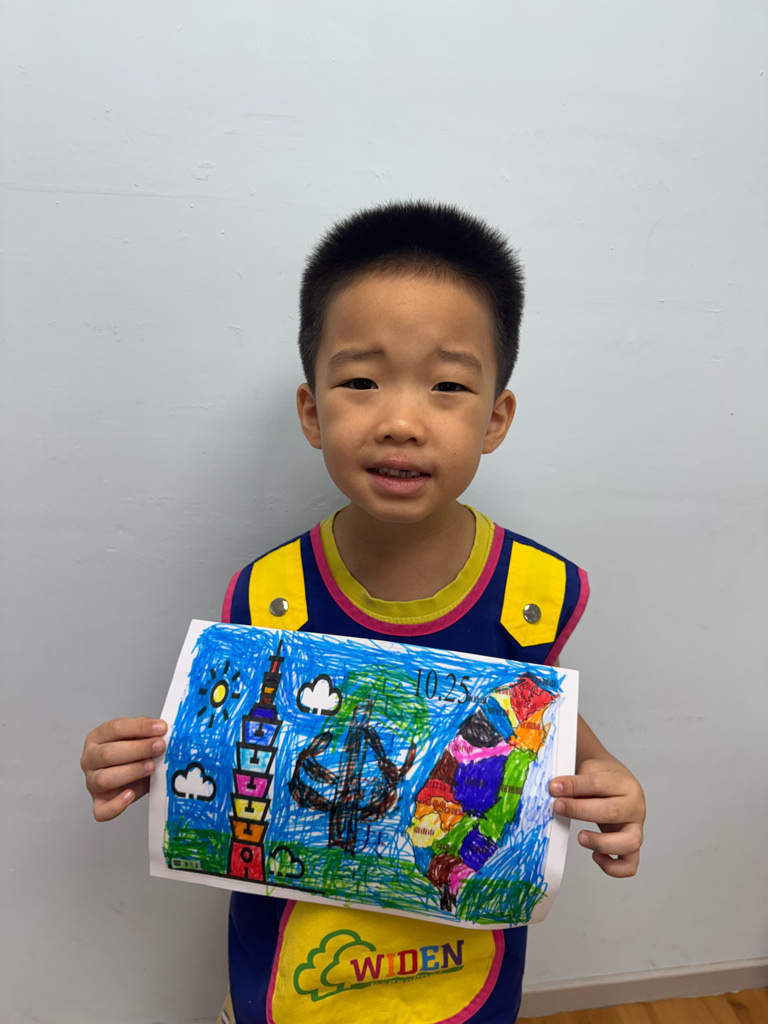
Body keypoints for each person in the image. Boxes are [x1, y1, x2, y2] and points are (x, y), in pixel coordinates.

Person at [81, 201, 646, 1024]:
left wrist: (610, 784)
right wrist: (138, 762)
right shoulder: (270, 593)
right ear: (313, 411)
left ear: (495, 418)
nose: (401, 422)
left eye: (447, 386)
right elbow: (220, 747)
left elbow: (546, 734)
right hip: (290, 979)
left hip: (459, 978)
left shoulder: (534, 592)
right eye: (361, 382)